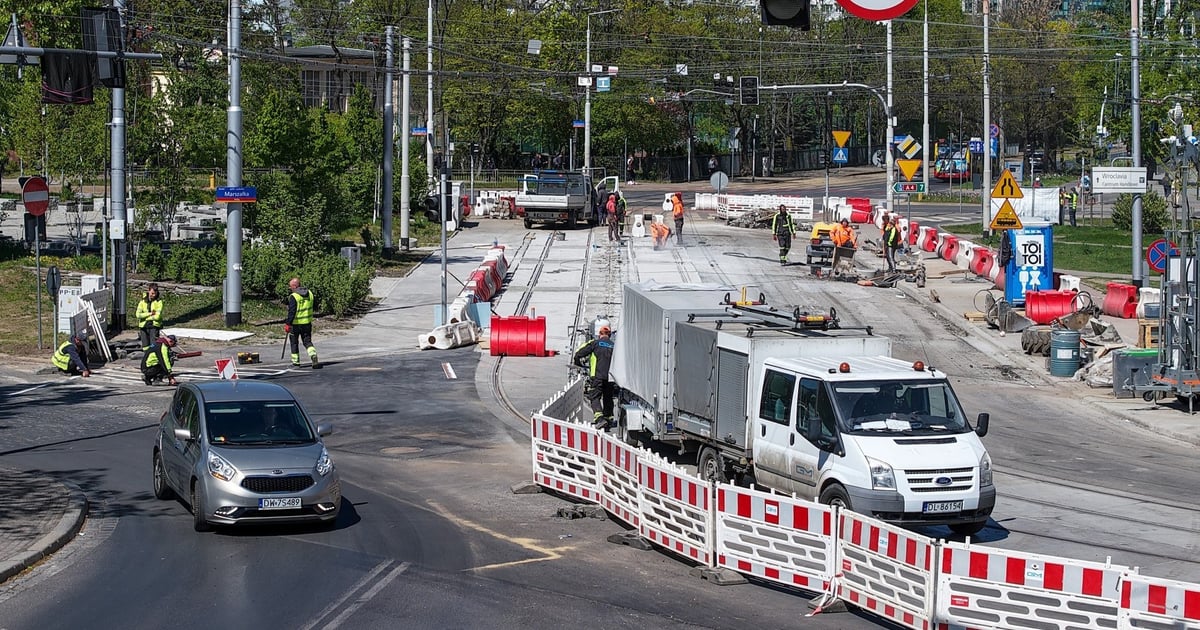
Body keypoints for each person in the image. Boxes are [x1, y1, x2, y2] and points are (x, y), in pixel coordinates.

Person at [573, 325, 615, 429]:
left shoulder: (595, 343)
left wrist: (577, 361)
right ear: (609, 335)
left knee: (594, 396)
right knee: (608, 398)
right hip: (610, 377)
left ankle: (599, 419)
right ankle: (608, 419)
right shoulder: (614, 346)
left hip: (597, 376)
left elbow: (580, 352)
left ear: (599, 334)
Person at [286, 277, 321, 368]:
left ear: (294, 286)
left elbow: (292, 311)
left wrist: (288, 323)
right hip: (307, 323)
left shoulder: (294, 296)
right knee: (307, 341)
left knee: (294, 342)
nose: (290, 289)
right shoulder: (310, 293)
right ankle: (313, 354)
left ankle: (296, 362)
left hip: (295, 324)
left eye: (290, 287)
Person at [135, 283, 164, 350]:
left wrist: (145, 317)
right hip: (143, 327)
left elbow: (157, 317)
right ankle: (146, 358)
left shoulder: (159, 302)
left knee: (154, 346)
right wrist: (150, 314)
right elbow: (138, 315)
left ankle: (154, 358)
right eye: (152, 293)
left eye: (155, 293)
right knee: (145, 347)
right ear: (148, 291)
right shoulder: (142, 301)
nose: (153, 295)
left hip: (154, 327)